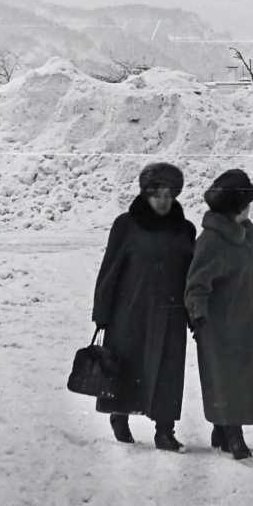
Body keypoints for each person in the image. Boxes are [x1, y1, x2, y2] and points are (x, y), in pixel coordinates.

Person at [92, 162, 197, 451]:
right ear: (146, 194)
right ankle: (119, 415)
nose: (163, 201)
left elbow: (191, 275)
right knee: (126, 366)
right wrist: (102, 312)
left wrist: (194, 315)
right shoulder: (126, 225)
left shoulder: (185, 229)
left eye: (168, 195)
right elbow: (110, 269)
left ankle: (164, 430)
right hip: (130, 312)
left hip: (170, 314)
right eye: (157, 194)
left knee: (169, 372)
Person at [185, 169, 253, 461]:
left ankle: (223, 431)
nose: (250, 208)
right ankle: (234, 435)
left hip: (247, 322)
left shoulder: (248, 237)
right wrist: (199, 317)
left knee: (241, 379)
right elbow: (196, 284)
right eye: (246, 202)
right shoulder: (212, 240)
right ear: (236, 206)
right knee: (226, 379)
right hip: (218, 326)